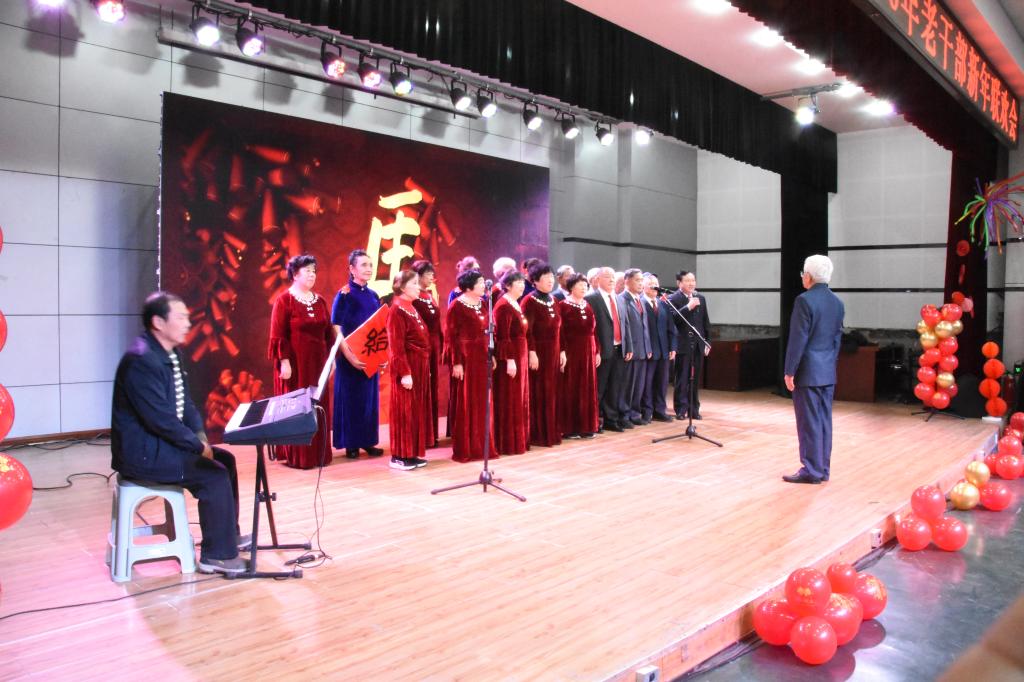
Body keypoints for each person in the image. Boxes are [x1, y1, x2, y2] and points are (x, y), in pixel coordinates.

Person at [111, 292, 247, 575]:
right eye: (181, 317)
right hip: (144, 454)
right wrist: (196, 447)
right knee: (214, 474)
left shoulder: (170, 353)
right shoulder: (141, 360)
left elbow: (187, 405)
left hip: (161, 445)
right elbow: (160, 420)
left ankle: (227, 538)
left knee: (226, 461)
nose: (188, 323)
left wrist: (201, 436)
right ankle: (216, 557)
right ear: (158, 322)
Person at [268, 255, 335, 469]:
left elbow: (328, 333)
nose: (312, 275)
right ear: (295, 275)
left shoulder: (320, 300)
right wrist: (284, 362)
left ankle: (318, 454)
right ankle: (299, 456)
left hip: (318, 363)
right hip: (296, 364)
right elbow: (278, 335)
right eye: (307, 271)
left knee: (318, 404)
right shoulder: (284, 300)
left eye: (314, 271)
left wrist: (331, 360)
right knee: (299, 406)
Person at [782, 255, 845, 484]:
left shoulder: (804, 300)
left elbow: (798, 339)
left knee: (808, 422)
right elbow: (837, 339)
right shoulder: (837, 303)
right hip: (827, 370)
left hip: (808, 371)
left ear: (808, 276)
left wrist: (790, 370)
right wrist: (830, 364)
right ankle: (822, 468)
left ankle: (811, 470)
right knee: (824, 421)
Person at [332, 249, 384, 459]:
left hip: (370, 354)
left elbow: (379, 327)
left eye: (370, 265)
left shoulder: (373, 295)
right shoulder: (344, 294)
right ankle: (351, 443)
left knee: (369, 400)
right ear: (352, 269)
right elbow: (336, 327)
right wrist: (349, 355)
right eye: (363, 265)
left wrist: (381, 355)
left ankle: (368, 441)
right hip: (350, 356)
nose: (369, 268)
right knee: (351, 399)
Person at [445, 270, 497, 462]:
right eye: (480, 282)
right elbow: (451, 337)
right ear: (468, 286)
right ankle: (466, 447)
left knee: (483, 401)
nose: (484, 285)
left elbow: (489, 331)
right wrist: (456, 362)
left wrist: (491, 354)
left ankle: (483, 446)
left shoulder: (484, 303)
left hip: (482, 355)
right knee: (467, 401)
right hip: (466, 357)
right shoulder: (456, 306)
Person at [386, 270, 433, 471]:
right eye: (414, 283)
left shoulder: (411, 307)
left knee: (415, 412)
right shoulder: (396, 310)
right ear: (402, 287)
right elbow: (396, 347)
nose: (418, 287)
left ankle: (411, 452)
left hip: (419, 366)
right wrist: (405, 372)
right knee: (404, 411)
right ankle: (399, 456)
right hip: (407, 367)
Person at [584, 267, 632, 432]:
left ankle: (611, 420)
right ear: (597, 280)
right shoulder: (591, 299)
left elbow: (625, 324)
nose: (611, 280)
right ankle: (595, 421)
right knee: (599, 388)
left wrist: (628, 346)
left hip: (619, 349)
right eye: (607, 277)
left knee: (614, 387)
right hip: (602, 350)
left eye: (613, 277)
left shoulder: (619, 299)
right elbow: (590, 329)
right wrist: (595, 350)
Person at [522, 262, 565, 447]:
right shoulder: (529, 301)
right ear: (535, 281)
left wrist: (563, 351)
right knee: (539, 392)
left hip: (554, 352)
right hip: (539, 353)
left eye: (551, 276)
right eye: (546, 277)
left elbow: (560, 329)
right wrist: (532, 352)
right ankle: (539, 434)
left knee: (553, 392)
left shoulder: (554, 300)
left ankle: (552, 431)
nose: (550, 280)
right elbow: (527, 331)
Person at [492, 271, 530, 455]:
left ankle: (519, 440)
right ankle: (508, 442)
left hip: (521, 353)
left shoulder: (515, 303)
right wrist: (510, 360)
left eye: (522, 282)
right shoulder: (503, 306)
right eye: (517, 282)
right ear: (507, 285)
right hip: (511, 356)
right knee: (510, 399)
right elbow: (503, 337)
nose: (522, 285)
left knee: (519, 399)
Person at [558, 273, 600, 439]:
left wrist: (597, 351)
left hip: (588, 352)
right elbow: (560, 332)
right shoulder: (563, 306)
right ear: (571, 287)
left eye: (585, 285)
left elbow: (594, 331)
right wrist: (562, 351)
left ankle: (587, 426)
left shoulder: (587, 305)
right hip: (572, 352)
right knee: (571, 388)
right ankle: (570, 428)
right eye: (580, 285)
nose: (583, 288)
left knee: (587, 388)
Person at [668, 270, 711, 420]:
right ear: (679, 283)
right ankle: (680, 409)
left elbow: (705, 322)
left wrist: (707, 341)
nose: (691, 283)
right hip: (682, 344)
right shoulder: (673, 298)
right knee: (682, 378)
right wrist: (688, 307)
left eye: (693, 280)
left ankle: (694, 409)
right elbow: (673, 320)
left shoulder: (700, 298)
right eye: (687, 280)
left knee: (695, 378)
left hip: (698, 344)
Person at [410, 259, 444, 447]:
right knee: (421, 388)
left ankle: (431, 434)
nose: (432, 277)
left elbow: (437, 324)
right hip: (420, 347)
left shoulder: (430, 295)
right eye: (429, 274)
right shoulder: (412, 297)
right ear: (419, 276)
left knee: (432, 388)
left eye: (432, 273)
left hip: (434, 346)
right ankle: (420, 434)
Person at [618, 268, 652, 425]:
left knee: (639, 385)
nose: (641, 283)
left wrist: (648, 347)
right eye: (637, 280)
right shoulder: (622, 299)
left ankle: (635, 414)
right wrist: (629, 347)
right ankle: (624, 415)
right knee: (627, 385)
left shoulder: (641, 300)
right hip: (631, 350)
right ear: (627, 281)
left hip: (643, 349)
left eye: (641, 280)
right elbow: (625, 328)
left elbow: (645, 327)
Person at [643, 274, 677, 422]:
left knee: (662, 383)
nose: (654, 285)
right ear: (643, 286)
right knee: (647, 383)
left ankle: (660, 410)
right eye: (650, 283)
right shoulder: (641, 303)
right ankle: (647, 411)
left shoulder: (663, 304)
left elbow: (671, 328)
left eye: (655, 283)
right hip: (649, 350)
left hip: (664, 350)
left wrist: (673, 347)